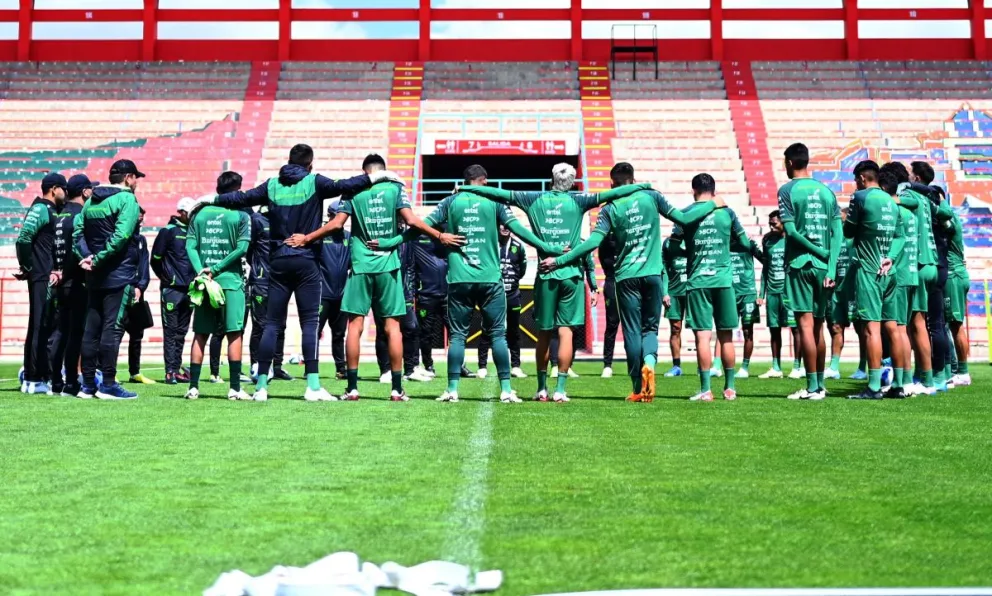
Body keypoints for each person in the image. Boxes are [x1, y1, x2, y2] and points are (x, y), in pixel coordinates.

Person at [210, 144, 398, 401]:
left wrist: (211, 199)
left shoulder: (272, 185)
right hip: (307, 261)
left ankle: (261, 387)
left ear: (288, 161)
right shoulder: (314, 181)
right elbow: (346, 184)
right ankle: (312, 386)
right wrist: (377, 176)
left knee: (271, 325)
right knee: (309, 324)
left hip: (278, 262)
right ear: (310, 164)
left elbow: (241, 198)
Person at [457, 162, 651, 402]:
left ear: (551, 179)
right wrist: (642, 185)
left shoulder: (533, 198)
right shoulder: (579, 201)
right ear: (571, 182)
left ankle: (541, 388)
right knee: (567, 332)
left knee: (545, 334)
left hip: (546, 273)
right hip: (571, 274)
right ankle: (560, 389)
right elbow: (614, 193)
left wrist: (469, 190)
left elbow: (500, 193)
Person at [376, 164, 561, 403]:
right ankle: (506, 389)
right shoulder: (494, 201)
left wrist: (390, 242)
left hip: (460, 279)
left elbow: (417, 228)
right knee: (498, 336)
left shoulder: (449, 202)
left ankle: (452, 389)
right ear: (483, 180)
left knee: (457, 336)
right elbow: (518, 230)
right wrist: (547, 248)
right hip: (490, 280)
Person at [286, 153, 458, 402]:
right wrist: (438, 235)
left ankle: (352, 388)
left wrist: (307, 237)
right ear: (383, 170)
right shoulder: (395, 188)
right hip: (388, 266)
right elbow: (411, 221)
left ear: (365, 171)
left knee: (354, 327)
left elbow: (336, 225)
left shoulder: (355, 190)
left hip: (360, 267)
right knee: (392, 328)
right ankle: (397, 389)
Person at [540, 167, 719, 401]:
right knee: (650, 329)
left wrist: (559, 260)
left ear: (612, 185)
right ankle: (650, 362)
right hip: (654, 274)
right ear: (633, 180)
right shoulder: (651, 196)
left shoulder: (610, 208)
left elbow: (593, 242)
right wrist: (713, 204)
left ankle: (637, 388)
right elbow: (684, 219)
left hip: (625, 277)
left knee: (632, 331)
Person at [73, 159, 144, 399]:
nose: (136, 183)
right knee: (112, 330)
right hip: (118, 274)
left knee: (91, 330)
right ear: (127, 178)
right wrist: (100, 258)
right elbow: (122, 235)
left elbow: (77, 232)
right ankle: (109, 384)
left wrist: (87, 257)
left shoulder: (91, 200)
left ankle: (88, 384)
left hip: (93, 276)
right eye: (136, 178)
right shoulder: (127, 200)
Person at [777, 142, 842, 400]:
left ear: (791, 163)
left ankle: (812, 386)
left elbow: (791, 232)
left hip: (800, 264)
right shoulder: (827, 191)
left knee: (805, 325)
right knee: (819, 325)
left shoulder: (787, 190)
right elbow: (837, 232)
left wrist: (817, 252)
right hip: (825, 269)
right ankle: (820, 385)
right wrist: (832, 264)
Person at [678, 174, 747, 402]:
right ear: (714, 191)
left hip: (699, 281)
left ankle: (706, 390)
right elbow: (744, 242)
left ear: (693, 189)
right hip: (724, 281)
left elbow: (673, 245)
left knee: (702, 338)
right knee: (726, 337)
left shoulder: (687, 212)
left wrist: (689, 251)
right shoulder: (727, 212)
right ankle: (730, 388)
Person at [183, 200, 252, 401]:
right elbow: (242, 249)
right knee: (234, 334)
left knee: (200, 334)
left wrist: (201, 272)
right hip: (230, 282)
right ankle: (235, 389)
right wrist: (217, 269)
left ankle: (193, 387)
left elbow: (190, 246)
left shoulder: (199, 214)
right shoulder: (240, 215)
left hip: (204, 283)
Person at [845, 160, 902, 399]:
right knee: (895, 329)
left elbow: (848, 230)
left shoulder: (860, 198)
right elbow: (900, 237)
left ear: (861, 178)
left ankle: (875, 386)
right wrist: (890, 257)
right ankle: (899, 385)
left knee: (871, 329)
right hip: (890, 271)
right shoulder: (892, 201)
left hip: (869, 270)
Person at [16, 172, 65, 394]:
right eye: (63, 188)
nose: (66, 192)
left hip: (47, 274)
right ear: (54, 189)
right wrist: (28, 267)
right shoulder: (41, 209)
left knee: (45, 324)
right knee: (39, 324)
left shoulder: (53, 211)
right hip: (41, 275)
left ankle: (36, 376)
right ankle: (33, 378)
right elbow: (23, 238)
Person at [48, 174, 91, 396]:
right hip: (75, 281)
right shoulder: (80, 215)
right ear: (85, 191)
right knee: (75, 334)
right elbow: (79, 248)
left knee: (61, 332)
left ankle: (56, 381)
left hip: (59, 281)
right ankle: (72, 382)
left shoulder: (59, 215)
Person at [152, 197, 197, 384]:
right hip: (172, 289)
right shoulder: (168, 231)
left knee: (182, 332)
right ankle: (169, 371)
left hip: (191, 290)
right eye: (191, 213)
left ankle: (177, 369)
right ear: (181, 212)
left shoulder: (195, 232)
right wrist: (166, 278)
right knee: (170, 332)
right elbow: (155, 259)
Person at [478, 224, 528, 379]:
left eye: (508, 224)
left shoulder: (518, 246)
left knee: (514, 331)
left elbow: (522, 269)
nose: (505, 227)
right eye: (501, 224)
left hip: (512, 295)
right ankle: (482, 366)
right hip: (492, 295)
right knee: (487, 329)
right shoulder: (489, 243)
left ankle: (516, 366)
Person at [374, 227, 423, 383]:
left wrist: (410, 290)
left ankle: (411, 369)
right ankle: (386, 370)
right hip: (381, 291)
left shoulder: (406, 239)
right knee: (383, 330)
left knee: (411, 328)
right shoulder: (380, 234)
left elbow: (410, 266)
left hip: (403, 291)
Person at [757, 211, 800, 379]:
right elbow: (765, 269)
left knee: (795, 329)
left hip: (789, 292)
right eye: (770, 223)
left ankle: (797, 367)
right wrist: (762, 293)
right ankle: (776, 366)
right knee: (774, 330)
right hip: (773, 292)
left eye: (774, 223)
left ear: (783, 222)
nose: (771, 226)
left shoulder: (792, 238)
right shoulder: (768, 240)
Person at [549, 251, 597, 379]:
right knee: (554, 327)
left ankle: (568, 366)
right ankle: (554, 366)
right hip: (554, 286)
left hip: (576, 288)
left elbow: (590, 267)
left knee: (573, 328)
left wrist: (594, 288)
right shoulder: (556, 240)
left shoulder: (582, 245)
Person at [317, 201, 350, 380]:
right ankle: (311, 368)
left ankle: (341, 369)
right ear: (330, 216)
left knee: (339, 334)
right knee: (314, 331)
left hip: (342, 295)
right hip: (322, 295)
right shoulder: (320, 237)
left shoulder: (349, 237)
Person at [824, 211, 856, 380]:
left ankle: (863, 367)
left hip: (852, 289)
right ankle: (834, 367)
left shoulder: (854, 237)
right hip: (834, 290)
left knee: (862, 329)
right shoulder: (830, 238)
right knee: (835, 327)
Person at [125, 207, 155, 384]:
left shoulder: (141, 240)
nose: (141, 222)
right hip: (122, 290)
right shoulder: (122, 237)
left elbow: (144, 267)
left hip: (137, 292)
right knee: (116, 331)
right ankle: (108, 371)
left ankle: (134, 372)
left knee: (137, 334)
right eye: (138, 219)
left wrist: (141, 287)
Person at [944, 206, 971, 386]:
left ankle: (962, 371)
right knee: (947, 324)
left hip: (954, 275)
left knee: (956, 323)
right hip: (953, 274)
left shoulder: (949, 218)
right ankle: (953, 368)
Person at [730, 234, 763, 378]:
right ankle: (719, 365)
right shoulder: (722, 244)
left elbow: (764, 259)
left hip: (747, 293)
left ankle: (744, 367)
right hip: (729, 292)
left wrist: (753, 245)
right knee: (724, 329)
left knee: (748, 331)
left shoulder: (747, 244)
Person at [661, 226, 688, 377]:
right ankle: (676, 366)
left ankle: (702, 365)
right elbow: (663, 269)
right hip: (674, 291)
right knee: (675, 328)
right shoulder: (667, 243)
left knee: (700, 329)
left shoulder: (693, 240)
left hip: (692, 290)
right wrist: (665, 292)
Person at [599, 231, 621, 378]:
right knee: (612, 324)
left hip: (628, 281)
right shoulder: (604, 242)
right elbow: (603, 261)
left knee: (633, 324)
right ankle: (607, 365)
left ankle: (637, 362)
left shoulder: (626, 236)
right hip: (612, 282)